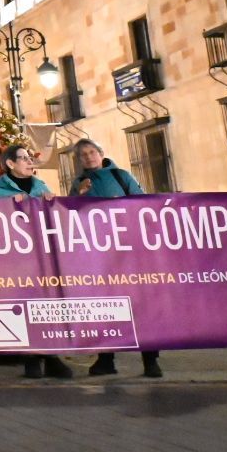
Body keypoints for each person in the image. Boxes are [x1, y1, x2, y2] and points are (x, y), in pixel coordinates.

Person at [71, 138, 161, 378]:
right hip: (99, 256)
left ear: (101, 153)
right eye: (83, 155)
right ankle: (106, 359)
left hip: (129, 252)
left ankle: (150, 360)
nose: (89, 157)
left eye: (92, 152)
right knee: (105, 307)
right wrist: (78, 196)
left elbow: (141, 204)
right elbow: (70, 217)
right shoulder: (79, 183)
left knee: (141, 307)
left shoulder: (121, 176)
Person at [0, 145, 73, 379]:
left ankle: (52, 357)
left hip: (43, 257)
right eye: (24, 158)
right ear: (10, 164)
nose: (29, 162)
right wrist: (8, 205)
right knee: (25, 306)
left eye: (30, 158)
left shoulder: (41, 187)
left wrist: (52, 202)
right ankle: (31, 359)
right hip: (17, 260)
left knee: (47, 306)